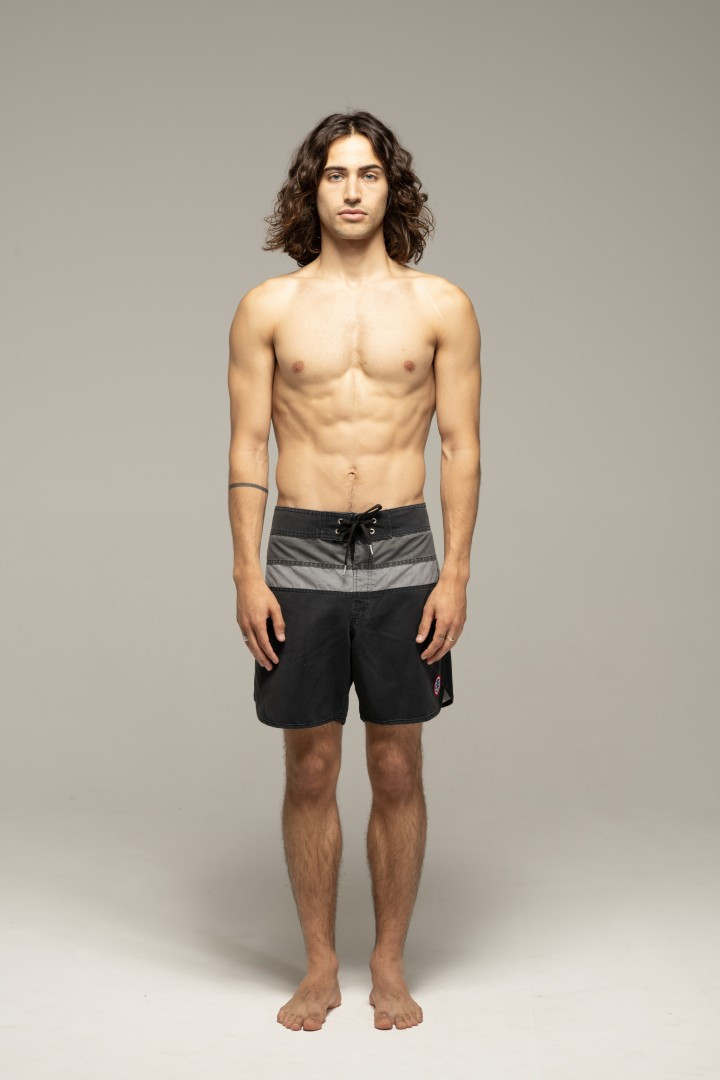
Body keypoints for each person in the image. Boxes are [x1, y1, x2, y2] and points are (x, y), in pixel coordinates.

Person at [227, 110, 481, 1032]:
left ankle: (388, 963)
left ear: (390, 187)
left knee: (397, 763)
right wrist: (245, 572)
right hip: (297, 549)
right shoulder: (268, 307)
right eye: (335, 174)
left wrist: (455, 574)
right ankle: (320, 966)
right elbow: (247, 445)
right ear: (313, 189)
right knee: (310, 766)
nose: (351, 190)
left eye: (368, 173)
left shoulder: (441, 305)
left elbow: (461, 448)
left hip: (403, 550)